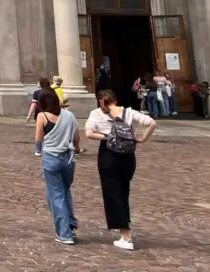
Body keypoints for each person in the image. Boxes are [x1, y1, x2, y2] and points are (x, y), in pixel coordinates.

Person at [85, 89, 157, 251]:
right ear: (115, 100)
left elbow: (88, 133)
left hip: (108, 155)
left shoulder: (96, 114)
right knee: (123, 191)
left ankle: (126, 235)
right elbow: (152, 123)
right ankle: (125, 229)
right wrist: (142, 139)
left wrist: (108, 136)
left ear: (101, 101)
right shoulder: (128, 112)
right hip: (128, 156)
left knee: (113, 194)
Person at [34, 89, 80, 244]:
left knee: (56, 195)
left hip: (51, 158)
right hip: (68, 159)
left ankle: (64, 233)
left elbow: (39, 138)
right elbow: (76, 137)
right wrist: (76, 147)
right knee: (65, 190)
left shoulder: (42, 116)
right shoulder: (70, 115)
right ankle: (71, 223)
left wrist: (38, 151)